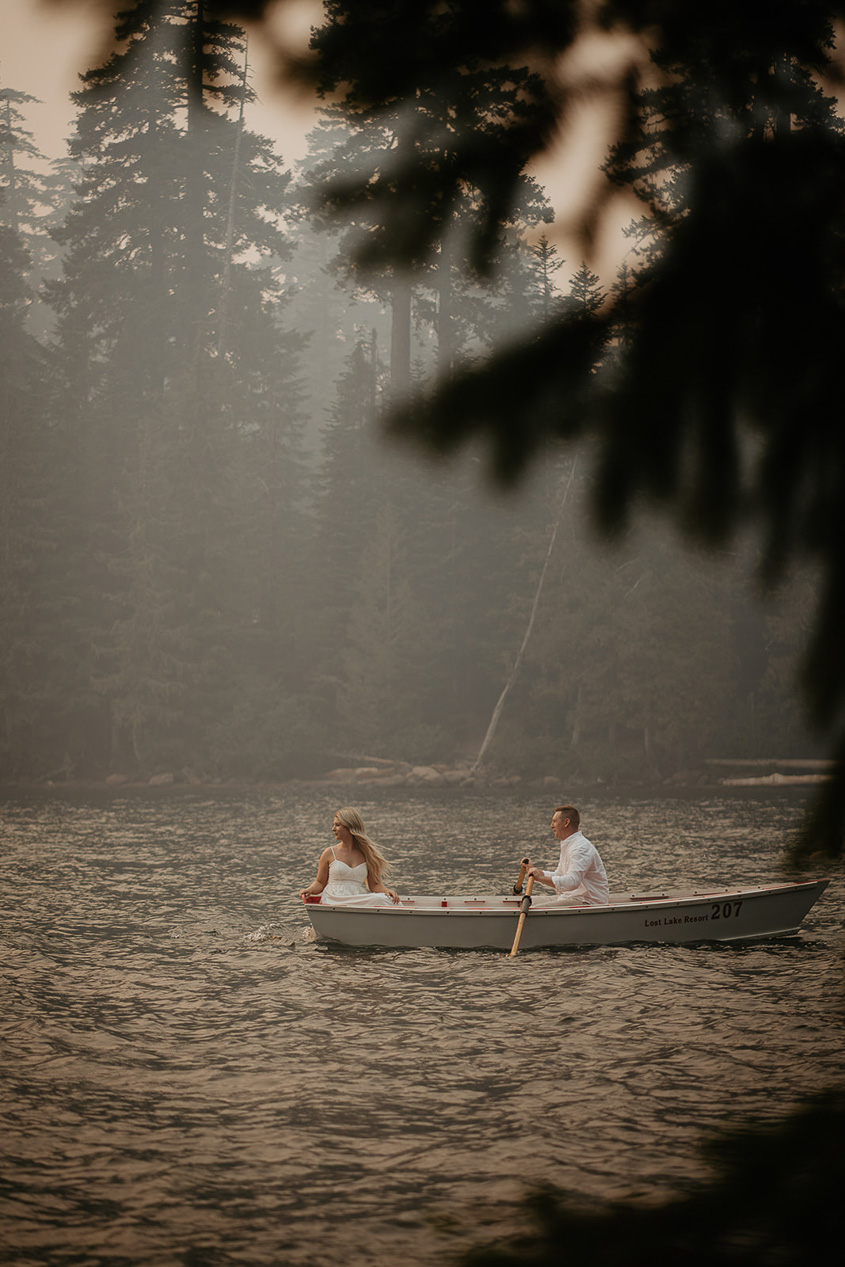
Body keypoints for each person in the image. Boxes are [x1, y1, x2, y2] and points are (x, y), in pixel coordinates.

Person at [299, 807, 400, 906]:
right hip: (334, 899)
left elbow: (375, 885)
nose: (333, 829)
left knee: (388, 900)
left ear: (350, 827)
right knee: (381, 899)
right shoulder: (329, 853)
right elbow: (320, 883)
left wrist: (387, 891)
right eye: (334, 825)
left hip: (358, 899)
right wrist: (309, 890)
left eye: (337, 825)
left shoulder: (367, 854)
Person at [524, 805, 609, 905]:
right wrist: (537, 872)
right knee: (523, 904)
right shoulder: (568, 844)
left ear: (566, 823)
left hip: (588, 901)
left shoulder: (581, 847)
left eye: (554, 821)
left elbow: (572, 882)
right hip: (571, 896)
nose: (551, 826)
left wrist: (541, 878)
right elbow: (559, 875)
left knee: (533, 909)